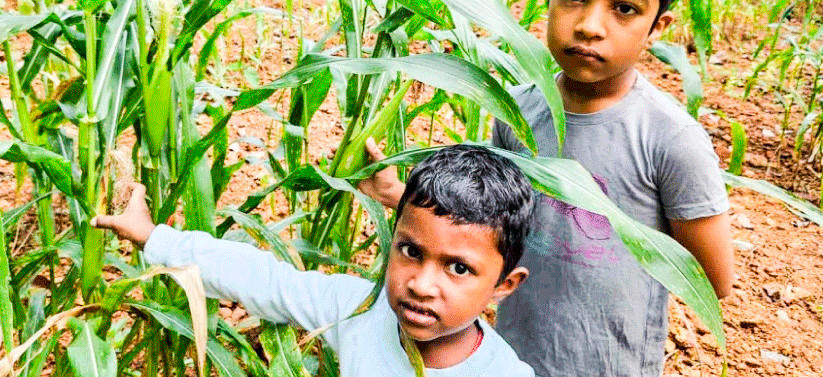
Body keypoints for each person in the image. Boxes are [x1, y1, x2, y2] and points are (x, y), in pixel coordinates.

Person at [357, 0, 735, 377]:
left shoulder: (670, 141)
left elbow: (714, 279)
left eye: (624, 8)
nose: (590, 26)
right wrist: (399, 194)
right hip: (511, 355)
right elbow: (486, 223)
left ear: (657, 26)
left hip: (609, 366)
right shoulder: (518, 109)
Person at [92, 145, 537, 376]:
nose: (421, 283)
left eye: (458, 268)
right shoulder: (362, 311)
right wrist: (154, 237)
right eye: (410, 251)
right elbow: (263, 280)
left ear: (504, 285)